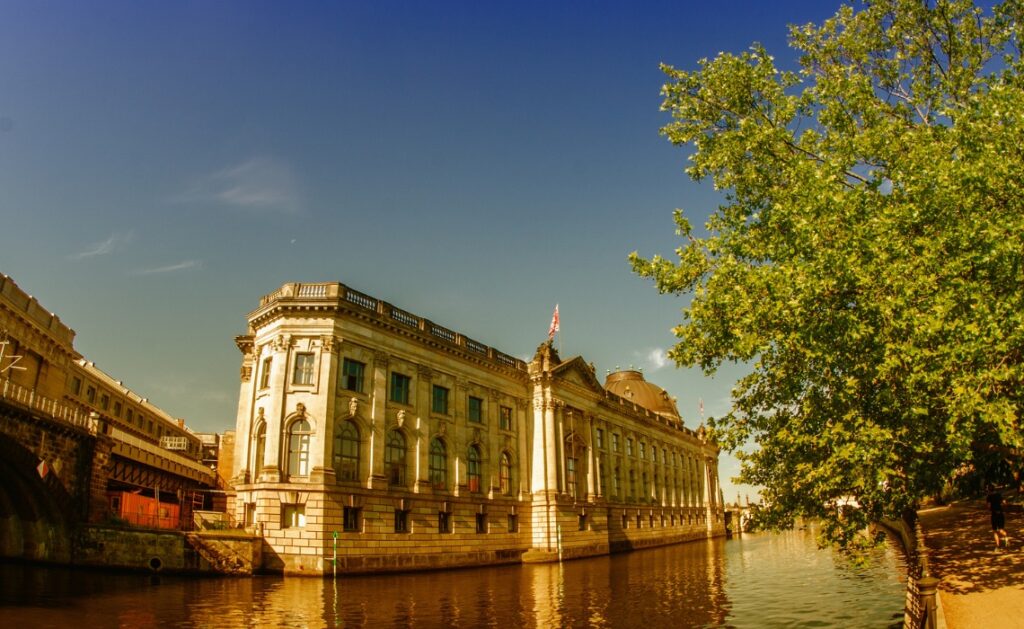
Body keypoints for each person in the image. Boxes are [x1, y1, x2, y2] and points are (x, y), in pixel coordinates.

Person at [986, 483, 1009, 550]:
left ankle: (997, 546)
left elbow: (988, 506)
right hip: (1000, 514)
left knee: (995, 531)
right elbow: (1004, 502)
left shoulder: (989, 497)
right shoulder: (999, 495)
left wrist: (990, 508)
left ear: (989, 490)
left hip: (994, 514)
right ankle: (1006, 537)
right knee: (1001, 530)